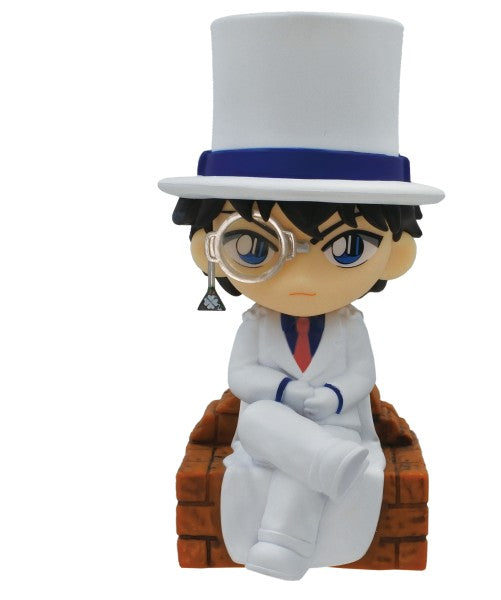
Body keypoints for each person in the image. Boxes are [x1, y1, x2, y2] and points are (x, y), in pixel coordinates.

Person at [159, 13, 444, 579]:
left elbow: (361, 373)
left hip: (337, 422)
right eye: (255, 247)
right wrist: (286, 391)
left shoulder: (350, 327)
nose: (302, 277)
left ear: (396, 253)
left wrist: (335, 396)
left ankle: (284, 542)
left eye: (347, 248)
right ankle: (327, 467)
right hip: (273, 426)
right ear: (207, 248)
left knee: (296, 455)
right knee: (262, 420)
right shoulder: (256, 327)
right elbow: (242, 375)